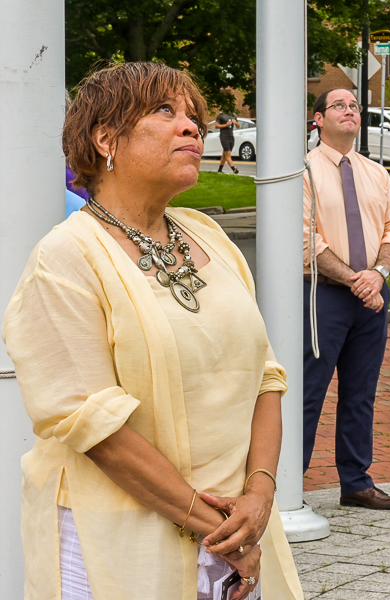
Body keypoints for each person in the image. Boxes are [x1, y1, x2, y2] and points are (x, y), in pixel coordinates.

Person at [3, 62, 303, 600]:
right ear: (105, 138)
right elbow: (95, 425)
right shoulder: (66, 257)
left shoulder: (210, 237)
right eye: (165, 111)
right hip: (118, 539)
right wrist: (216, 526)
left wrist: (259, 496)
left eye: (194, 116)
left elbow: (266, 376)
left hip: (237, 528)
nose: (192, 127)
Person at [303, 88, 390, 510]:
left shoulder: (376, 172)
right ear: (318, 119)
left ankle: (356, 481)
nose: (349, 111)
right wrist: (355, 279)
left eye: (354, 106)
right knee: (310, 391)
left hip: (371, 298)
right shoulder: (304, 171)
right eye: (339, 106)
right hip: (323, 296)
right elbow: (305, 237)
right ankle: (291, 487)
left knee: (361, 391)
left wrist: (377, 274)